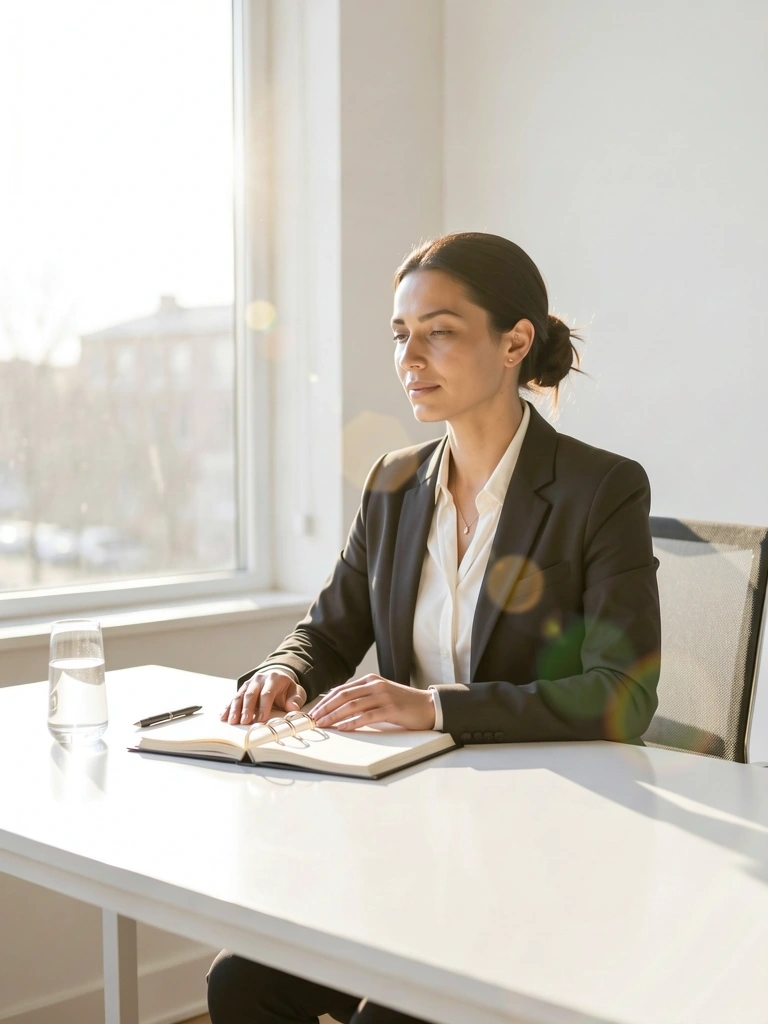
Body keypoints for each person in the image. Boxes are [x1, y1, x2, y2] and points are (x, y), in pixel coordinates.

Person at [207, 232, 661, 1023]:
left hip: (540, 850)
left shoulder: (601, 489)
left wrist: (436, 707)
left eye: (439, 332)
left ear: (515, 342)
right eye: (400, 335)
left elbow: (624, 694)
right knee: (240, 981)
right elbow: (328, 630)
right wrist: (284, 671)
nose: (410, 358)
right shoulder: (391, 482)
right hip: (410, 838)